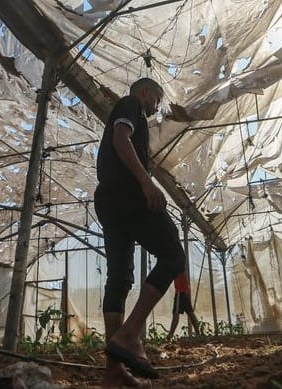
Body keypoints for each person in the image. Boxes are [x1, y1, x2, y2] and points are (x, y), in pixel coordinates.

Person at [94, 77, 186, 387]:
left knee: (118, 277)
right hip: (128, 194)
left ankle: (113, 373)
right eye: (156, 99)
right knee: (173, 255)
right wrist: (146, 182)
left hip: (108, 199)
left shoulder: (129, 111)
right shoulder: (131, 104)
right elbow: (122, 139)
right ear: (145, 93)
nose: (156, 106)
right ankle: (129, 334)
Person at [166, 271, 201, 341]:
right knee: (190, 312)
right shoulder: (180, 267)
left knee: (176, 313)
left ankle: (170, 336)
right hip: (184, 291)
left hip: (180, 292)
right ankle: (198, 334)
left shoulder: (177, 266)